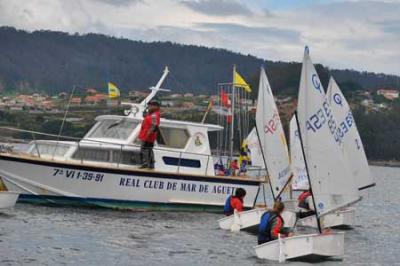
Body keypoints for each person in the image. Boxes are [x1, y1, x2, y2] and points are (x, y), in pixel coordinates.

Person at [138, 99, 161, 169]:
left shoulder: (154, 115)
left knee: (147, 150)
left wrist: (148, 134)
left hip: (148, 137)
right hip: (146, 136)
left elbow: (154, 126)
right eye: (149, 105)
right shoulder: (151, 114)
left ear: (156, 107)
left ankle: (150, 165)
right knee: (145, 150)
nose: (149, 107)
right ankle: (146, 164)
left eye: (151, 106)